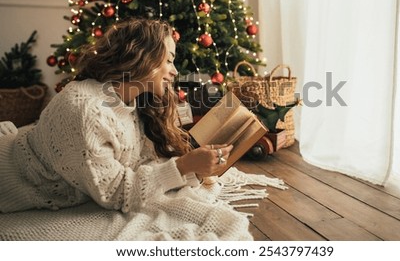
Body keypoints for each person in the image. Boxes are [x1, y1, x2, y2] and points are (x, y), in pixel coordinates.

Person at [0, 17, 252, 240]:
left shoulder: (130, 100)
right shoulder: (87, 109)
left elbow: (140, 164)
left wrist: (193, 171)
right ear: (142, 57)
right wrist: (184, 166)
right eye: (169, 60)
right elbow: (115, 193)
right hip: (8, 177)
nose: (175, 71)